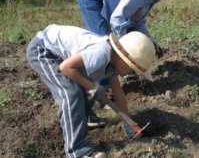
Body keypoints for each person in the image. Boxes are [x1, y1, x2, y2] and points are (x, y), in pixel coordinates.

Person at [77, 0, 185, 126]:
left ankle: (115, 80)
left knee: (113, 49)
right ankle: (105, 94)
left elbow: (136, 20)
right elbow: (118, 19)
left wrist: (151, 39)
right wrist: (125, 51)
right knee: (104, 45)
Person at [26, 24, 156, 158]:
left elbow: (118, 93)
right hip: (43, 51)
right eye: (132, 68)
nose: (130, 73)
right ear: (124, 59)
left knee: (86, 86)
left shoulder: (113, 62)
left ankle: (85, 118)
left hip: (62, 57)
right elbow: (65, 67)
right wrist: (93, 87)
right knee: (72, 93)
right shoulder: (100, 54)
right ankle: (76, 151)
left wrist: (128, 122)